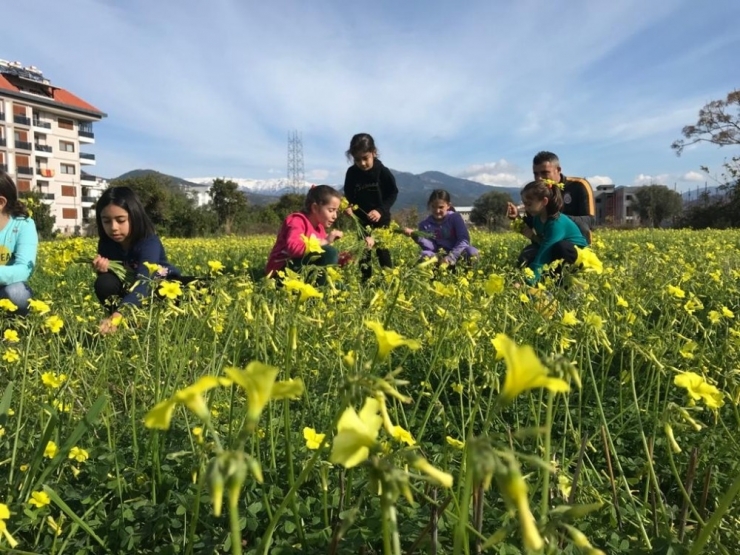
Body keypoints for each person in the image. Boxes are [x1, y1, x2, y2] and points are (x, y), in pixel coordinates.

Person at [92, 186, 193, 334]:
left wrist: (118, 316)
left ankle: (127, 320)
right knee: (104, 282)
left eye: (121, 220)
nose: (113, 227)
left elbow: (145, 282)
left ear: (134, 216)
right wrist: (102, 271)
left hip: (159, 287)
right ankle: (128, 326)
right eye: (106, 221)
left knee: (195, 287)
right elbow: (111, 284)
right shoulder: (106, 244)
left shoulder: (148, 241)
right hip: (133, 292)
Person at [507, 151, 595, 264]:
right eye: (535, 174)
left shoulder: (578, 185)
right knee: (526, 256)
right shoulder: (537, 192)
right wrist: (516, 218)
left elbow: (591, 221)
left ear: (558, 170)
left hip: (573, 247)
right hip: (547, 243)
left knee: (560, 248)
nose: (539, 178)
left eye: (544, 173)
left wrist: (556, 219)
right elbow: (532, 223)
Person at [343, 133, 398, 282]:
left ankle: (389, 281)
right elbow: (349, 195)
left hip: (382, 218)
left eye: (365, 158)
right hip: (362, 220)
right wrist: (349, 207)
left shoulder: (382, 171)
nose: (362, 163)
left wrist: (380, 210)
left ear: (373, 152)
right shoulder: (352, 173)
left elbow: (393, 193)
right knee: (363, 251)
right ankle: (365, 282)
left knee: (382, 250)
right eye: (357, 159)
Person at [265, 185, 343, 284]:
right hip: (279, 273)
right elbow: (294, 249)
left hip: (299, 269)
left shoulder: (320, 228)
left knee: (341, 285)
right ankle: (319, 292)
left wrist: (341, 259)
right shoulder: (297, 221)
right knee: (330, 251)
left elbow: (322, 258)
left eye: (337, 211)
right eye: (331, 210)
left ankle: (322, 290)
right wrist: (326, 241)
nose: (335, 216)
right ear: (315, 208)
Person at [517, 179, 588, 285]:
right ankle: (547, 279)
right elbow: (543, 244)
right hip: (554, 250)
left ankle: (567, 283)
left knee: (560, 247)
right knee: (529, 252)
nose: (526, 208)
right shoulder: (537, 218)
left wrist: (526, 281)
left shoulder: (556, 224)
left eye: (529, 204)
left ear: (544, 202)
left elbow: (544, 253)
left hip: (578, 258)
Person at [405, 189, 478, 266]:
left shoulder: (455, 218)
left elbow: (463, 240)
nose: (437, 210)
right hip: (438, 257)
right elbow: (432, 248)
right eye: (433, 207)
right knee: (424, 254)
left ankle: (468, 275)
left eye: (441, 207)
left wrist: (451, 257)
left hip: (458, 254)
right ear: (430, 205)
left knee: (472, 252)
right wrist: (416, 235)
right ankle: (433, 276)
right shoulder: (424, 224)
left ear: (448, 205)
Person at [0, 171, 38, 316]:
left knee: (18, 294)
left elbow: (24, 269)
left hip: (7, 289)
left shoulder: (24, 225)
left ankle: (14, 322)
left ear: (1, 202)